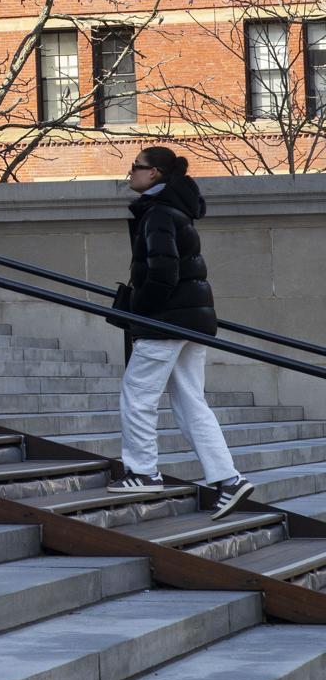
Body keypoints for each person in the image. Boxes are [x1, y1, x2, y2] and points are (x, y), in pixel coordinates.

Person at [104, 145, 255, 520]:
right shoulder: (176, 210)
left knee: (137, 394)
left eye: (135, 167)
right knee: (190, 401)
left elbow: (162, 272)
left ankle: (142, 472)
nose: (129, 173)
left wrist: (141, 313)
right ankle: (228, 479)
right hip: (189, 320)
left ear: (154, 174)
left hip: (167, 321)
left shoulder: (156, 214)